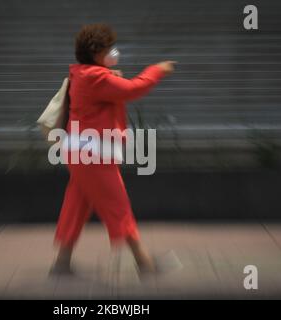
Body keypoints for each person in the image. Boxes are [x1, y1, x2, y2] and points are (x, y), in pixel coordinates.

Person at [50, 23, 175, 276]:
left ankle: (61, 264)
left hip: (81, 153)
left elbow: (104, 92)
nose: (113, 52)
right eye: (109, 48)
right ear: (97, 52)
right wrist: (156, 70)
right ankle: (145, 263)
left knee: (76, 206)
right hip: (94, 155)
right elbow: (133, 89)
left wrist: (110, 74)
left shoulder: (84, 74)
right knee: (118, 206)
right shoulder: (96, 78)